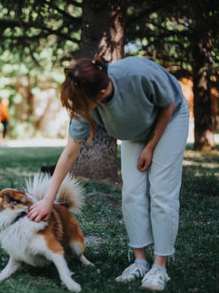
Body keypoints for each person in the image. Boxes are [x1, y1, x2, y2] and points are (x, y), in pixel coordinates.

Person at [28, 56, 189, 291]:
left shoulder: (137, 74)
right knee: (132, 193)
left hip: (170, 117)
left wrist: (151, 146)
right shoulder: (86, 100)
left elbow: (168, 104)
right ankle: (140, 262)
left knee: (161, 192)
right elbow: (69, 154)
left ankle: (160, 267)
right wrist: (47, 200)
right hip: (136, 131)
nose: (79, 110)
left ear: (102, 93)